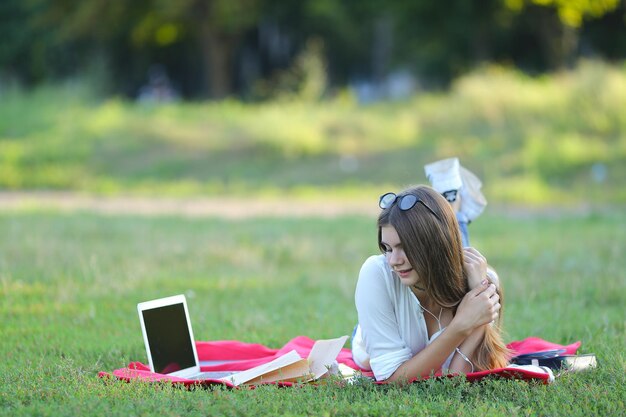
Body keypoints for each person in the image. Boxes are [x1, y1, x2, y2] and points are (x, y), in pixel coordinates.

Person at [351, 185, 509, 382]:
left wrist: (480, 292)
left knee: (457, 268)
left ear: (431, 243)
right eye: (387, 248)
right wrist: (460, 326)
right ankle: (453, 209)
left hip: (445, 268)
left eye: (404, 247)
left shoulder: (482, 281)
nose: (393, 261)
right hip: (379, 324)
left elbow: (456, 376)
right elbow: (393, 380)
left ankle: (453, 212)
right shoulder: (377, 273)